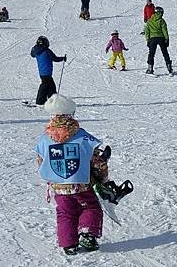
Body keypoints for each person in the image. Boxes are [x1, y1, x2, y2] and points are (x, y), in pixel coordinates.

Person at [35, 94, 104, 255]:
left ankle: (68, 243)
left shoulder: (45, 138)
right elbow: (96, 159)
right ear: (71, 114)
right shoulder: (82, 136)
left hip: (58, 186)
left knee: (65, 212)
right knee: (90, 207)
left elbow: (41, 160)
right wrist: (101, 176)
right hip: (81, 183)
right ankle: (87, 233)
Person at [31, 36, 66, 105]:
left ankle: (51, 100)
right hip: (47, 73)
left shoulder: (37, 51)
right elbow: (55, 58)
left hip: (42, 73)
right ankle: (40, 101)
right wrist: (63, 58)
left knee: (51, 86)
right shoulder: (46, 51)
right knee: (45, 86)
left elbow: (32, 54)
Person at [145, 6, 173, 75]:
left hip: (152, 39)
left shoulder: (149, 20)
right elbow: (164, 30)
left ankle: (150, 68)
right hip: (161, 38)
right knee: (165, 53)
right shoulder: (161, 20)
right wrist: (167, 39)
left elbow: (147, 31)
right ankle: (169, 68)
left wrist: (148, 40)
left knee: (151, 53)